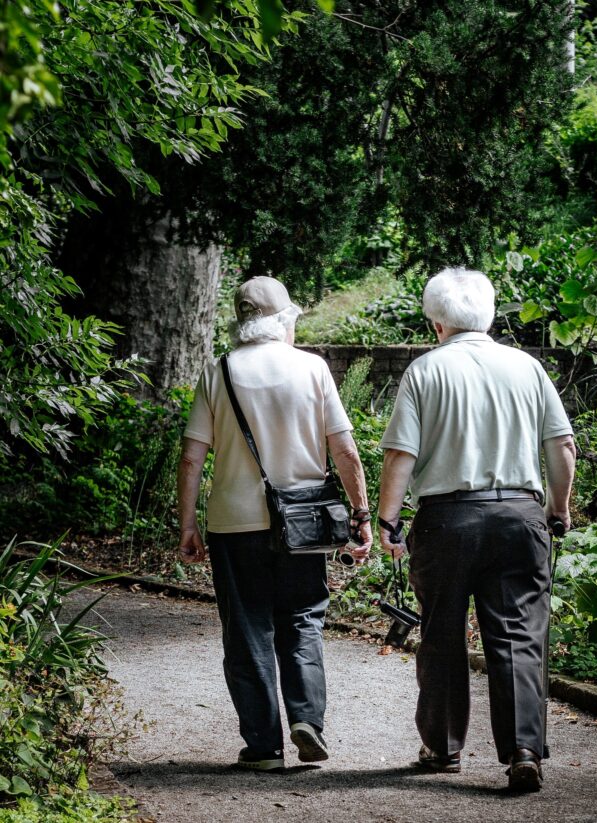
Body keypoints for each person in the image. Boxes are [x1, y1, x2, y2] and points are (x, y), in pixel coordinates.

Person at [378, 267, 576, 792]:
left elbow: (402, 455)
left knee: (441, 631)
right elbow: (561, 446)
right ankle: (523, 751)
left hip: (446, 520)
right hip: (518, 515)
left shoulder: (425, 371)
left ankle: (442, 748)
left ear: (436, 322)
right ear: (488, 315)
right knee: (518, 636)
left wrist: (388, 520)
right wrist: (559, 509)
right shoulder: (527, 367)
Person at [177, 276, 373, 772]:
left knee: (246, 630)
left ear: (241, 322)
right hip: (305, 523)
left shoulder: (217, 372)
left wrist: (187, 524)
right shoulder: (313, 368)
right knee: (303, 619)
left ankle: (263, 746)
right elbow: (344, 450)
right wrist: (361, 514)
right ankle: (308, 720)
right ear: (284, 319)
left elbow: (191, 459)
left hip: (233, 524)